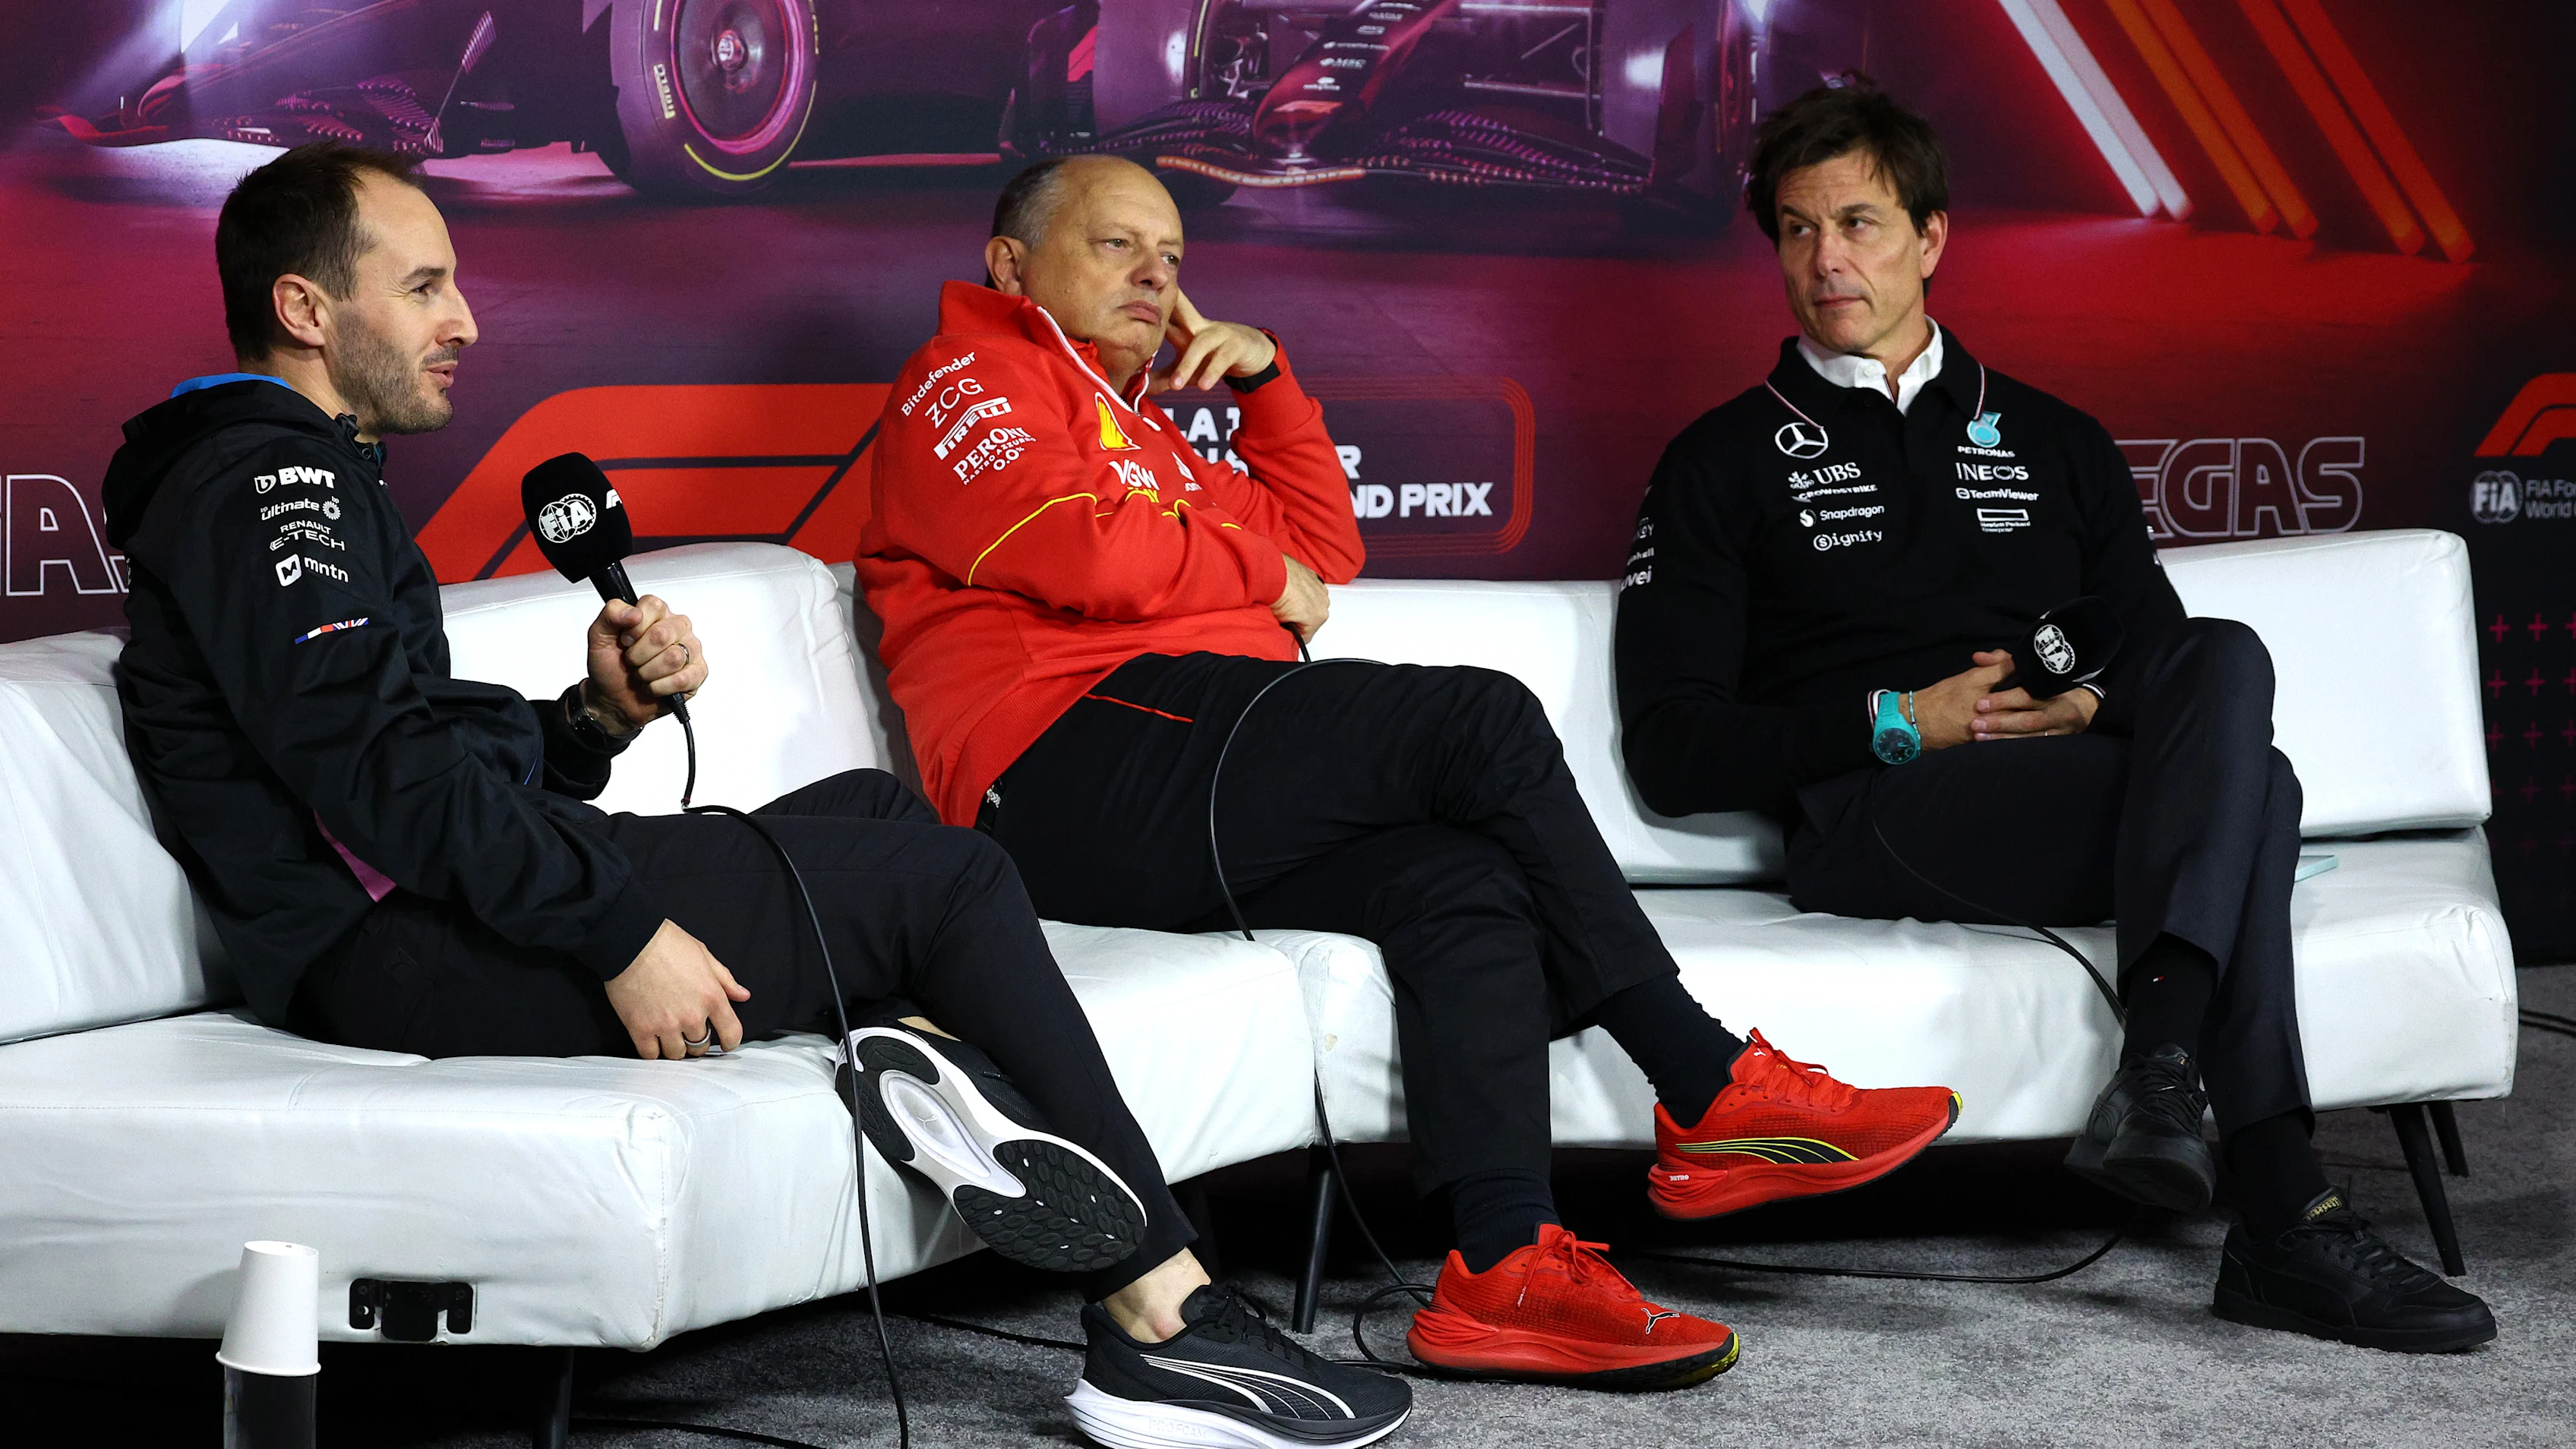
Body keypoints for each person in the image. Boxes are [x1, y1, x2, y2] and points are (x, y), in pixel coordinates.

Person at [103, 141, 1410, 1449]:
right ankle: (1164, 1322)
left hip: (423, 911)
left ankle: (946, 1078)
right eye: (427, 286)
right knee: (952, 879)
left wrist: (593, 721)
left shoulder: (297, 466)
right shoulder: (264, 479)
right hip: (386, 955)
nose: (465, 320)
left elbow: (386, 755)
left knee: (878, 816)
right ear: (306, 311)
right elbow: (374, 776)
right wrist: (617, 934)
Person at [859, 152, 1965, 1388]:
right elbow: (1090, 554)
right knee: (1479, 724)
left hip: (1186, 760)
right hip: (1066, 765)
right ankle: (1704, 1080)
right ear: (1013, 265)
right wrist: (1263, 580)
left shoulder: (1148, 437)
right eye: (1119, 247)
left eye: (1172, 258)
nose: (1158, 281)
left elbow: (1328, 543)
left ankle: (1501, 1266)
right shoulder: (965, 376)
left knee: (1460, 879)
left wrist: (1268, 383)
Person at [1614, 79, 2496, 1354]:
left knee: (2227, 662)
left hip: (2066, 788)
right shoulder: (1718, 461)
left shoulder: (2056, 438)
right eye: (1798, 231)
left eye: (1859, 223)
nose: (1827, 259)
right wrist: (1896, 720)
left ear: (1932, 237)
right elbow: (1672, 750)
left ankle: (2168, 1085)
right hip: (1877, 813)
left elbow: (2163, 656)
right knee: (2266, 794)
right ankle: (2278, 1207)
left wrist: (2086, 694)